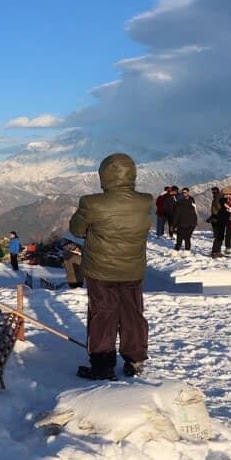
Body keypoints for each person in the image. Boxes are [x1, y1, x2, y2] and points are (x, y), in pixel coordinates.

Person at [68, 153, 153, 380]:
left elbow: (76, 230)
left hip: (101, 271)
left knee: (103, 315)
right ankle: (135, 360)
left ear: (104, 175)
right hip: (133, 269)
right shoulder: (145, 201)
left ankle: (103, 366)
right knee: (133, 314)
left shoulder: (91, 203)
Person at [171, 187, 199, 252]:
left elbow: (176, 216)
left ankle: (176, 250)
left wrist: (173, 225)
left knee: (180, 237)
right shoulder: (191, 204)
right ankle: (187, 250)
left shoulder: (178, 205)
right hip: (192, 223)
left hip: (183, 223)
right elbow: (195, 212)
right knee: (187, 237)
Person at [210, 187, 231, 258]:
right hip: (219, 219)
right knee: (219, 236)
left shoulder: (217, 198)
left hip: (218, 219)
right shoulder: (221, 199)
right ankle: (216, 252)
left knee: (219, 236)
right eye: (229, 194)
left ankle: (216, 251)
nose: (229, 195)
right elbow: (221, 209)